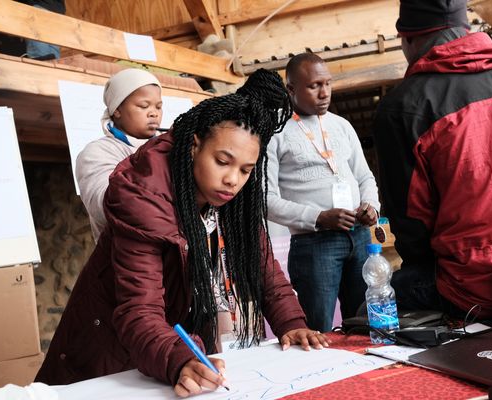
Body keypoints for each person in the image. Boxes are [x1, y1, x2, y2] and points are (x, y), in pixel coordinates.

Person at [35, 69, 329, 397]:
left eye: (246, 170)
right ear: (194, 146)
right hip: (106, 352)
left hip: (163, 343)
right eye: (222, 162)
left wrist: (293, 324)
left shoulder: (231, 193)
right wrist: (177, 358)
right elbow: (140, 309)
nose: (233, 179)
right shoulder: (144, 195)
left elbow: (263, 266)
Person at [373, 0, 492, 319]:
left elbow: (412, 228)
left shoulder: (403, 107)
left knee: (371, 306)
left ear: (407, 39)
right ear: (466, 29)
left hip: (475, 288)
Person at [266, 53, 380, 333]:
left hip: (359, 236)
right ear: (291, 89)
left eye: (327, 83)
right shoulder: (273, 131)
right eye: (314, 85)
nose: (324, 92)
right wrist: (318, 217)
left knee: (366, 325)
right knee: (318, 330)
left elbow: (364, 176)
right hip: (314, 245)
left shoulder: (341, 125)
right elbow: (264, 200)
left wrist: (371, 205)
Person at [76, 68, 162, 242]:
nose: (154, 113)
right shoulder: (96, 153)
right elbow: (106, 207)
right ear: (117, 109)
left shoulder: (168, 147)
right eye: (143, 106)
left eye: (158, 107)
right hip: (122, 259)